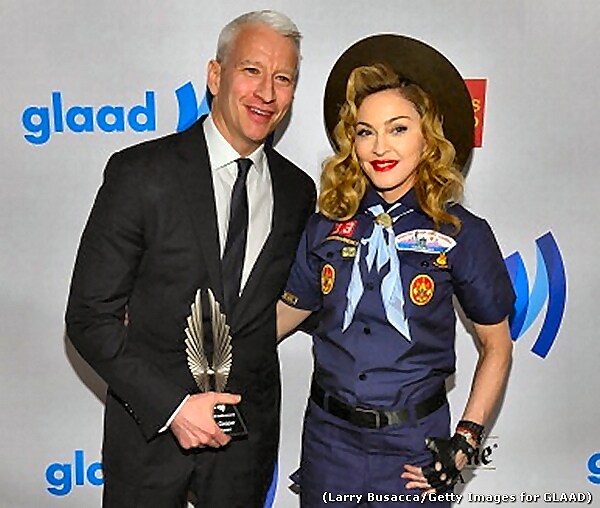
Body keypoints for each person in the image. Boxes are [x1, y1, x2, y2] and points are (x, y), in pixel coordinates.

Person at [65, 10, 316, 508]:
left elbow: (289, 304)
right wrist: (173, 408)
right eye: (251, 70)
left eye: (283, 78)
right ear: (216, 76)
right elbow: (89, 318)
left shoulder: (297, 191)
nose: (266, 92)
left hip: (245, 450)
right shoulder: (141, 173)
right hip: (149, 440)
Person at [277, 35, 515, 507]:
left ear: (428, 138)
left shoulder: (462, 233)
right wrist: (205, 349)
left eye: (398, 129)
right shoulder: (325, 225)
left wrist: (465, 440)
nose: (379, 147)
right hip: (329, 445)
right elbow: (282, 317)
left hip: (415, 451)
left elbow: (497, 346)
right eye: (365, 132)